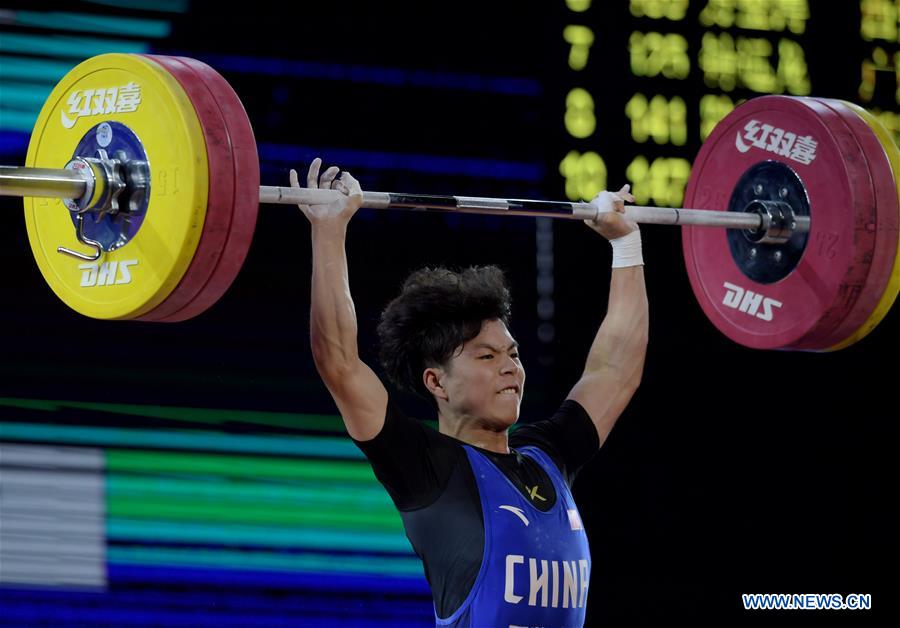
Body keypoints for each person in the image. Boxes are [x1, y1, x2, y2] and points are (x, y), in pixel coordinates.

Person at [290, 158, 648, 627]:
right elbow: (337, 362)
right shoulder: (425, 468)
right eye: (487, 357)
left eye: (513, 353)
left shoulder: (548, 454)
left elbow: (615, 369)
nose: (510, 368)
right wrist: (330, 231)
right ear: (436, 382)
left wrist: (626, 244)